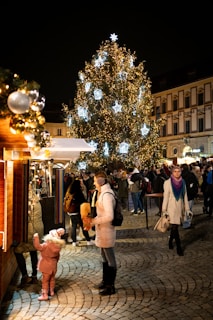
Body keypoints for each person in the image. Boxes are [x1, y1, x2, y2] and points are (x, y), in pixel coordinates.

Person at [82, 171, 117, 296]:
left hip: (106, 230)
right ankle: (105, 281)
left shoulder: (107, 195)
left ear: (100, 182)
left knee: (110, 258)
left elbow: (109, 216)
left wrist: (94, 221)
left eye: (95, 181)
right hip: (102, 230)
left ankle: (110, 286)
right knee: (104, 257)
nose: (94, 183)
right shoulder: (100, 193)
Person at [13, 193, 44, 287]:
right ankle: (34, 276)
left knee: (17, 251)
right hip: (38, 230)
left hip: (29, 230)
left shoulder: (28, 204)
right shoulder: (37, 202)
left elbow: (27, 218)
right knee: (33, 251)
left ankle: (25, 276)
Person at [161, 166, 191, 256]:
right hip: (171, 207)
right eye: (175, 171)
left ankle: (170, 241)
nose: (177, 173)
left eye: (179, 171)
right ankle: (179, 247)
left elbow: (185, 196)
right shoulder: (167, 183)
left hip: (179, 207)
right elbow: (165, 197)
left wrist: (187, 209)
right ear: (172, 172)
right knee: (174, 226)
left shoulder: (183, 182)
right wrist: (164, 210)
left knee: (175, 226)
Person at [33, 228, 65, 301]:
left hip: (46, 266)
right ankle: (51, 291)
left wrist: (35, 237)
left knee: (45, 281)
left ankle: (45, 295)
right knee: (52, 279)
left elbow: (38, 246)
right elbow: (58, 257)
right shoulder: (57, 247)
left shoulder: (46, 245)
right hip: (53, 266)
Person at [66, 179, 93, 246]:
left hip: (71, 212)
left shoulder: (69, 192)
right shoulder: (78, 192)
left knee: (73, 226)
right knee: (83, 225)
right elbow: (83, 201)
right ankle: (88, 240)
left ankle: (74, 241)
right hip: (78, 212)